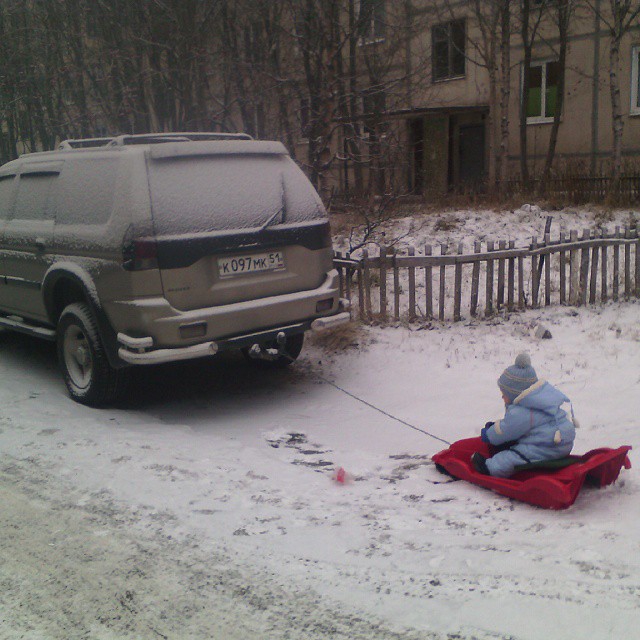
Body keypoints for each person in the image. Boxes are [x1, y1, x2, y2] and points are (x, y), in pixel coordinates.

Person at [471, 353, 577, 478]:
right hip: (562, 445)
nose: (502, 397)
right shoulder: (542, 400)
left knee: (510, 458)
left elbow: (506, 430)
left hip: (544, 448)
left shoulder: (522, 411)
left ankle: (489, 468)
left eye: (504, 393)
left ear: (515, 394)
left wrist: (488, 434)